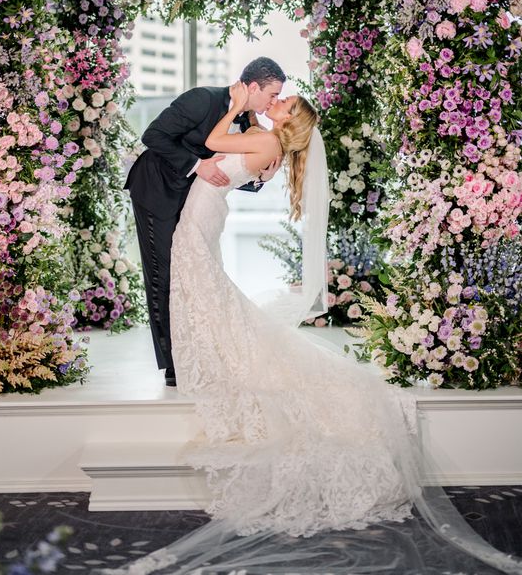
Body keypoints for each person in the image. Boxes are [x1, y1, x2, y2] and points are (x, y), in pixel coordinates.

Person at [100, 83, 522, 574]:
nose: (277, 103)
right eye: (278, 98)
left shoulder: (264, 141)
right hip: (207, 210)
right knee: (203, 287)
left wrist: (236, 108)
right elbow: (239, 152)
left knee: (200, 284)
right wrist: (254, 124)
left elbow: (215, 144)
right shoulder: (270, 142)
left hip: (200, 215)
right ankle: (208, 352)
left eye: (285, 104)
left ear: (289, 122)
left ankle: (212, 355)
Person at [124, 57, 285, 387]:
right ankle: (173, 365)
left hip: (194, 201)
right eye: (271, 95)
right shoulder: (203, 98)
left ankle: (195, 351)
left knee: (192, 274)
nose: (272, 103)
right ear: (252, 87)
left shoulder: (246, 119)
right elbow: (152, 135)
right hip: (156, 188)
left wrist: (261, 178)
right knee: (163, 273)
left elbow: (229, 171)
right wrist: (198, 165)